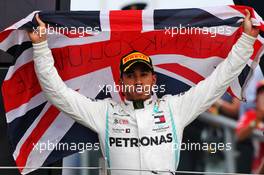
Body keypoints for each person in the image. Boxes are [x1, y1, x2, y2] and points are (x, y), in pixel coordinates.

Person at [28, 9, 259, 175]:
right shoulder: (105, 113)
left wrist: (246, 40)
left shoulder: (174, 108)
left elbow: (218, 81)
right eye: (131, 75)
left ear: (153, 78)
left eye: (143, 74)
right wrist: (40, 47)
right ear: (121, 82)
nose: (138, 80)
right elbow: (57, 92)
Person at [236, 80, 264, 174]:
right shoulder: (251, 115)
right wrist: (255, 122)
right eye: (262, 93)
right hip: (253, 167)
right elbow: (239, 135)